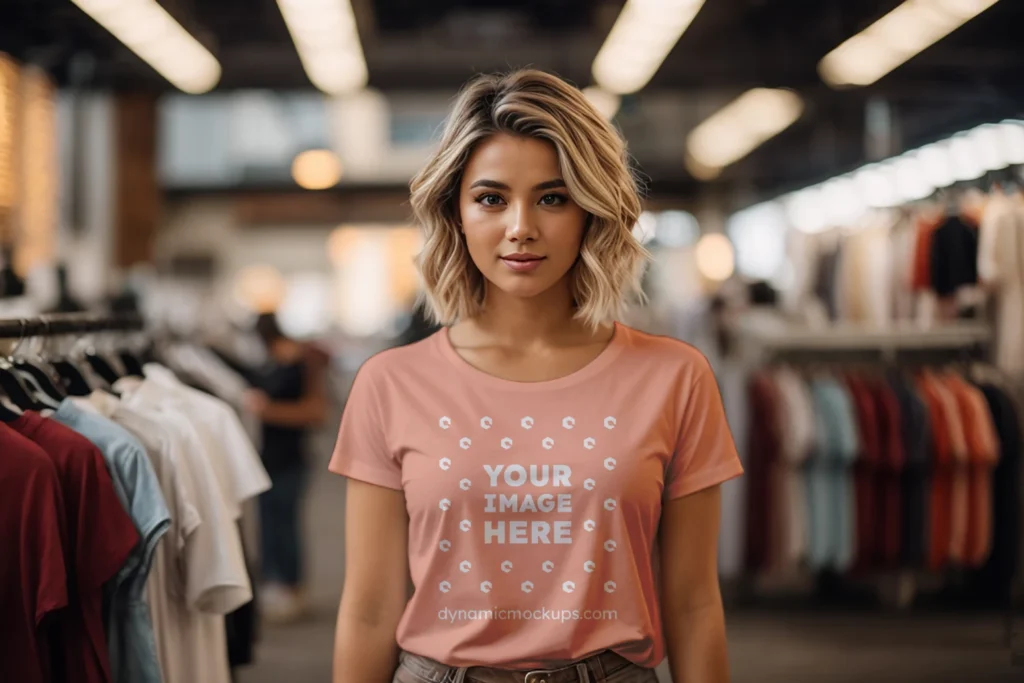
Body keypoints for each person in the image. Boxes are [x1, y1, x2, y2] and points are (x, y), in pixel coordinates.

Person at [329, 70, 744, 683]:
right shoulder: (390, 384)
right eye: (491, 198)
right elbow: (368, 611)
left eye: (553, 197)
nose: (521, 226)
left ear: (590, 211)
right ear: (457, 212)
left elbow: (693, 603)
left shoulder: (675, 378)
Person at [244, 312, 328, 623]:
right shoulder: (270, 363)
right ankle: (275, 584)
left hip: (292, 457)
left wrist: (267, 412)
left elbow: (316, 412)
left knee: (286, 523)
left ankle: (293, 589)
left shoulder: (303, 363)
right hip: (266, 457)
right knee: (268, 523)